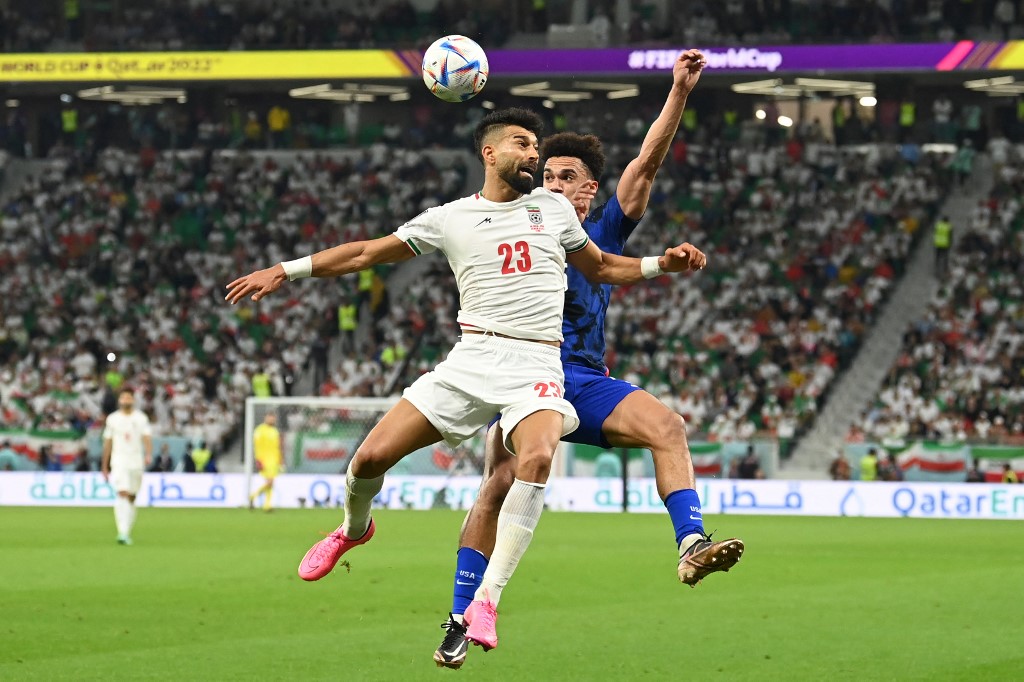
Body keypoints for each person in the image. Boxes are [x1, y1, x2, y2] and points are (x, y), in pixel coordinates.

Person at [225, 105, 708, 653]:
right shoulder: (450, 217)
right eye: (525, 147)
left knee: (538, 460)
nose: (535, 156)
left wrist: (659, 266)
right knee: (369, 460)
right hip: (472, 360)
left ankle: (485, 603)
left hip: (539, 367)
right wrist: (285, 270)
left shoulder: (554, 211)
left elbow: (601, 264)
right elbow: (365, 252)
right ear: (490, 152)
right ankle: (354, 529)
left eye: (541, 152)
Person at [431, 50, 743, 670]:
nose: (549, 183)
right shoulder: (509, 220)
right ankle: (461, 614)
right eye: (544, 173)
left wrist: (679, 90)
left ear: (589, 188)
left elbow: (646, 162)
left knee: (668, 428)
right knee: (496, 486)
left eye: (564, 175)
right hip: (521, 375)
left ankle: (690, 545)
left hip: (582, 378)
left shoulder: (601, 229)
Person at [101, 389, 153, 545]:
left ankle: (127, 530)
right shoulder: (113, 419)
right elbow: (108, 442)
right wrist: (104, 465)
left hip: (136, 461)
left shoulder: (141, 418)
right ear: (119, 401)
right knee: (122, 492)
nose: (125, 400)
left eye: (128, 397)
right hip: (119, 461)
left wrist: (148, 454)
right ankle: (122, 532)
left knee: (132, 496)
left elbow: (146, 437)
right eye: (123, 397)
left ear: (133, 400)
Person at [250, 413, 283, 511]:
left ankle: (267, 505)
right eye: (270, 418)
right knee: (270, 482)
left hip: (274, 460)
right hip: (264, 459)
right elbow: (257, 446)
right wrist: (258, 459)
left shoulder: (275, 431)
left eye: (273, 418)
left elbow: (278, 447)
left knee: (271, 483)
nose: (272, 420)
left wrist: (280, 459)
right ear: (266, 418)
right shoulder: (259, 430)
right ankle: (253, 496)